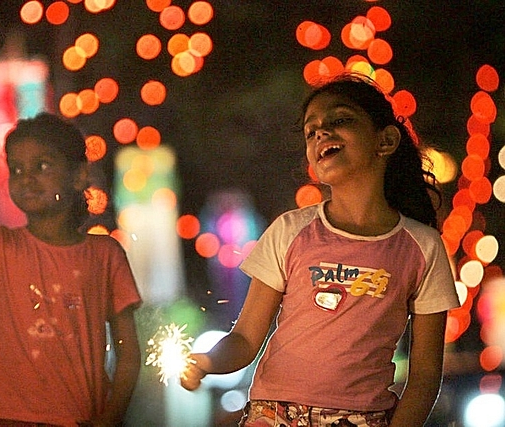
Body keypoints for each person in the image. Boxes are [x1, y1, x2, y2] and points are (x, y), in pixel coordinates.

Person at [181, 72, 460, 427]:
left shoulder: (422, 247)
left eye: (340, 120)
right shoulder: (290, 230)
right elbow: (245, 338)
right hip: (273, 415)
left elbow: (423, 377)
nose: (321, 133)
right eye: (311, 131)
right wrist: (207, 362)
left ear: (386, 140)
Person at [0, 113, 142, 427]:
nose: (25, 178)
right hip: (8, 417)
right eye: (16, 168)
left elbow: (127, 353)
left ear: (78, 176)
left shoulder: (105, 255)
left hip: (80, 417)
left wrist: (110, 417)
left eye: (42, 166)